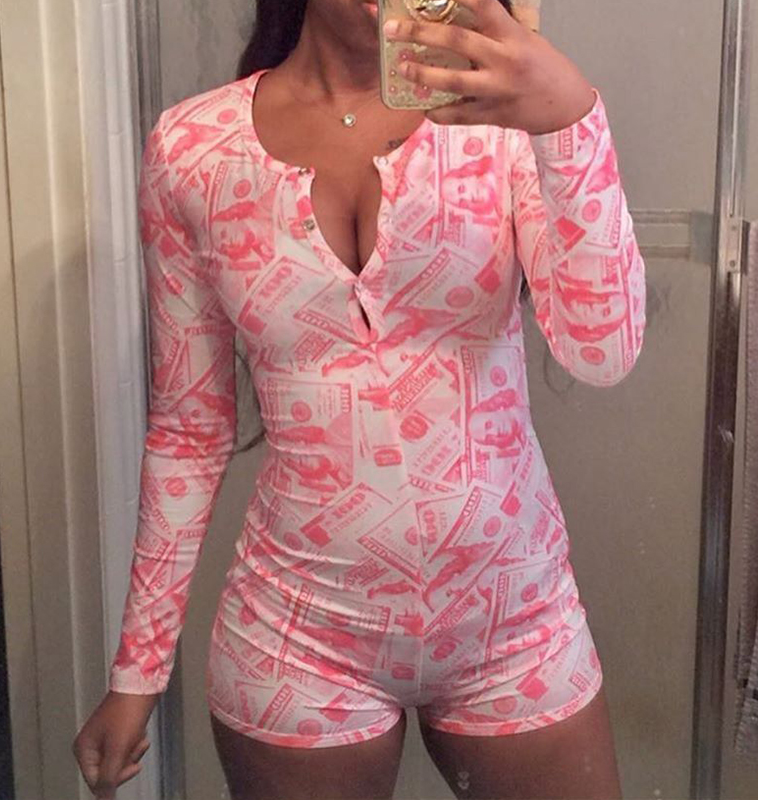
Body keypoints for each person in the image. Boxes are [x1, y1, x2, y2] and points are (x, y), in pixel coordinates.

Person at [73, 0, 646, 797]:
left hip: (517, 622)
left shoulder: (503, 118)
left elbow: (602, 353)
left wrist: (572, 120)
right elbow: (190, 429)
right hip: (296, 637)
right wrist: (139, 670)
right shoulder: (193, 148)